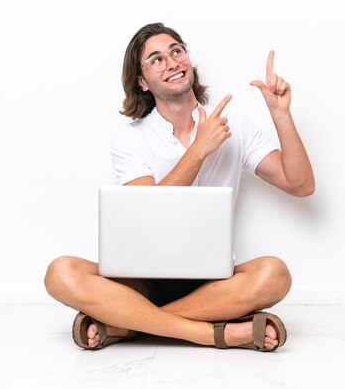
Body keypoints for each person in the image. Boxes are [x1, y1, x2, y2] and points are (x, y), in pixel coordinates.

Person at [44, 23, 315, 352]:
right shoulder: (130, 138)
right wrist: (198, 150)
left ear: (188, 60)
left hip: (214, 282)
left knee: (275, 274)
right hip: (140, 279)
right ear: (142, 82)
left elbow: (300, 184)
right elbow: (149, 218)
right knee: (61, 272)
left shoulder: (235, 124)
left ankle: (124, 324)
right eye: (156, 59)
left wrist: (281, 114)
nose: (171, 62)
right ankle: (213, 333)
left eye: (176, 51)